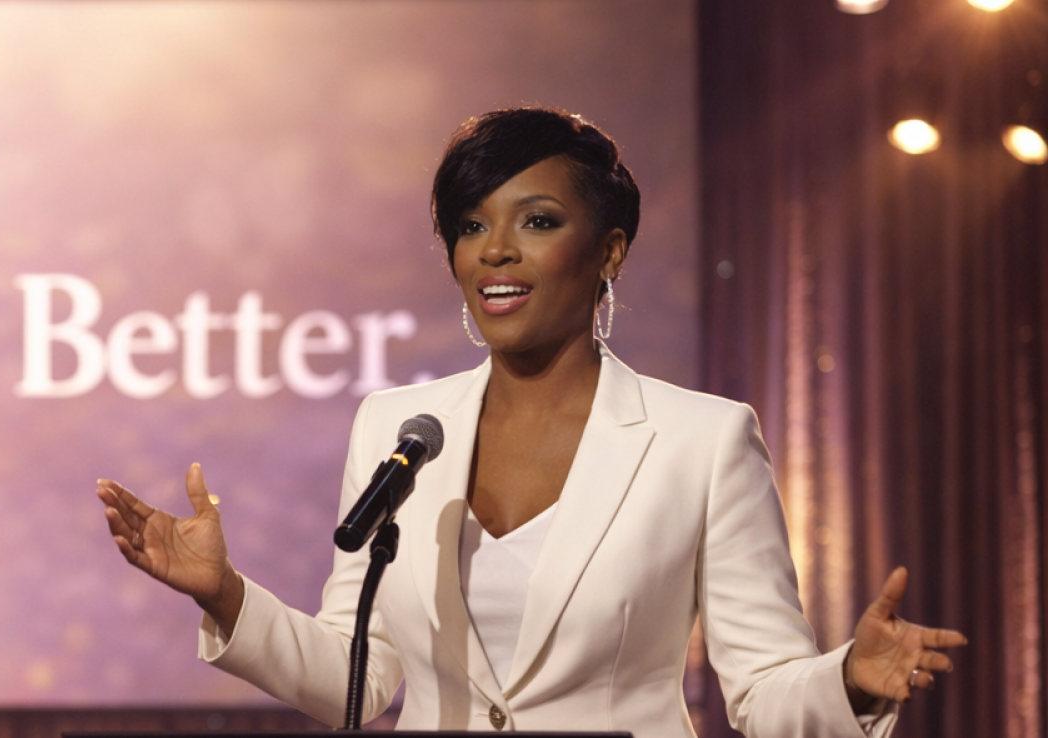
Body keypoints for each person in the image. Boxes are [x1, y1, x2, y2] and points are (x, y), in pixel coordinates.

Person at [95, 107, 966, 737]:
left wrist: (848, 683)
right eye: (471, 226)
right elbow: (358, 682)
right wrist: (226, 594)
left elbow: (763, 690)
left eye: (537, 222)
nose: (495, 251)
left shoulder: (703, 441)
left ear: (610, 251)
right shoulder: (400, 426)